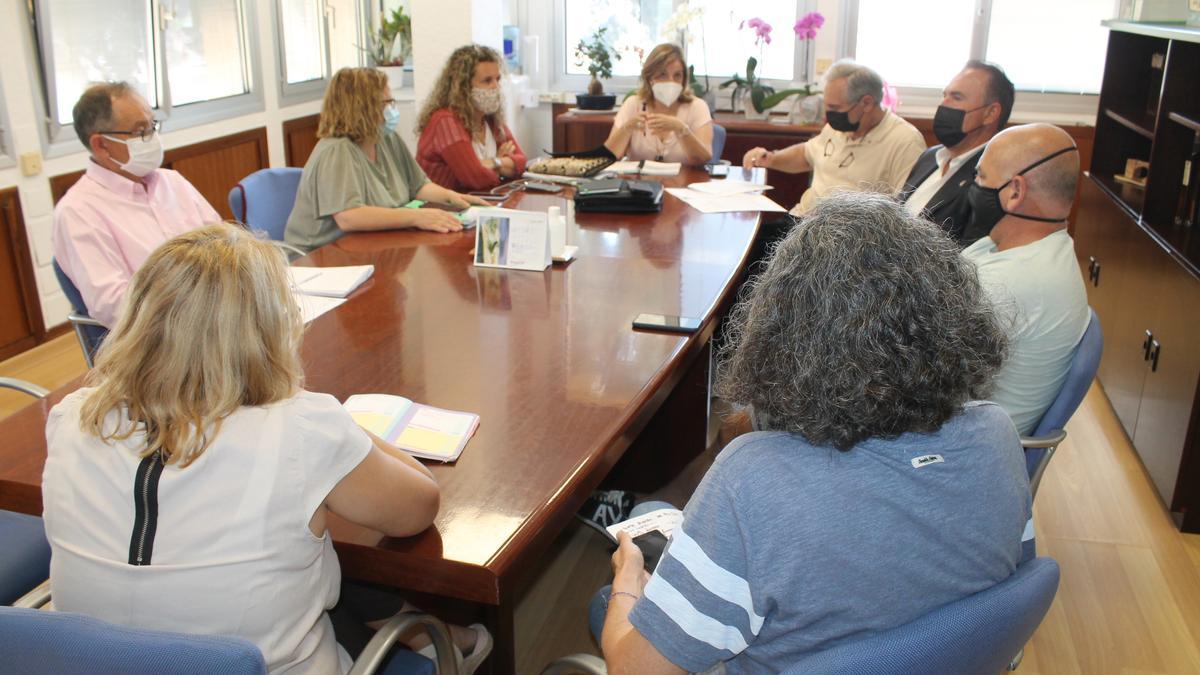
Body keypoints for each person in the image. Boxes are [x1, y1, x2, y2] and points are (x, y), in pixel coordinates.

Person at [598, 192, 1031, 673]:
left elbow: (632, 670)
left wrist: (625, 584)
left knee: (626, 565)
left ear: (782, 336)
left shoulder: (755, 477)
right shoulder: (997, 433)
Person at [42, 223, 490, 674]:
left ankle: (432, 638)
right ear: (271, 327)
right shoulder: (300, 429)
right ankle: (440, 641)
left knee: (305, 559)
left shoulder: (72, 416)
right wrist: (331, 417)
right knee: (316, 559)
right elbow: (417, 507)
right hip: (261, 662)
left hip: (93, 659)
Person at [53, 82, 221, 327]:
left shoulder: (172, 182)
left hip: (218, 314)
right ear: (101, 145)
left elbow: (224, 243)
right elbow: (114, 305)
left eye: (152, 125)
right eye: (140, 131)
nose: (152, 138)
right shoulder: (78, 212)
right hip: (162, 337)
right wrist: (196, 312)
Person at [963, 123, 1089, 435]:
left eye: (980, 177)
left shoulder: (1013, 281)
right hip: (965, 426)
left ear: (1015, 191)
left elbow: (915, 375)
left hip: (961, 452)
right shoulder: (1024, 246)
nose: (973, 185)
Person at [285, 68, 489, 253]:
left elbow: (417, 186)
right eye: (387, 102)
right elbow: (349, 217)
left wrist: (452, 198)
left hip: (370, 247)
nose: (392, 109)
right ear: (362, 107)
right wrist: (416, 217)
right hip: (321, 258)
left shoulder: (385, 137)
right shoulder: (337, 150)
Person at [742, 60, 925, 215]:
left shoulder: (905, 141)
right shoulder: (839, 126)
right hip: (803, 220)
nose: (829, 116)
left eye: (835, 108)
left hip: (847, 242)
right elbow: (806, 155)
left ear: (867, 103)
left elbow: (906, 210)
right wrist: (771, 159)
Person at [899, 61, 1014, 246]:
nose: (944, 105)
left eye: (957, 97)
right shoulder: (930, 157)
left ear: (990, 113)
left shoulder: (992, 179)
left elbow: (965, 256)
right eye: (944, 96)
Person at [416, 45, 527, 192]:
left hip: (479, 205)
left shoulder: (489, 119)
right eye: (487, 81)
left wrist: (493, 162)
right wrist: (501, 166)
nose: (496, 87)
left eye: (497, 79)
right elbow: (476, 179)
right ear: (463, 87)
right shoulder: (446, 121)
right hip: (442, 209)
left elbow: (521, 161)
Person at [604, 43, 713, 165]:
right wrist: (626, 128)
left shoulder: (697, 107)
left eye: (677, 75)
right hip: (639, 182)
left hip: (684, 182)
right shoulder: (633, 104)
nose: (671, 81)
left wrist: (681, 130)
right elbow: (608, 157)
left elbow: (703, 158)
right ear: (650, 78)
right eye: (663, 75)